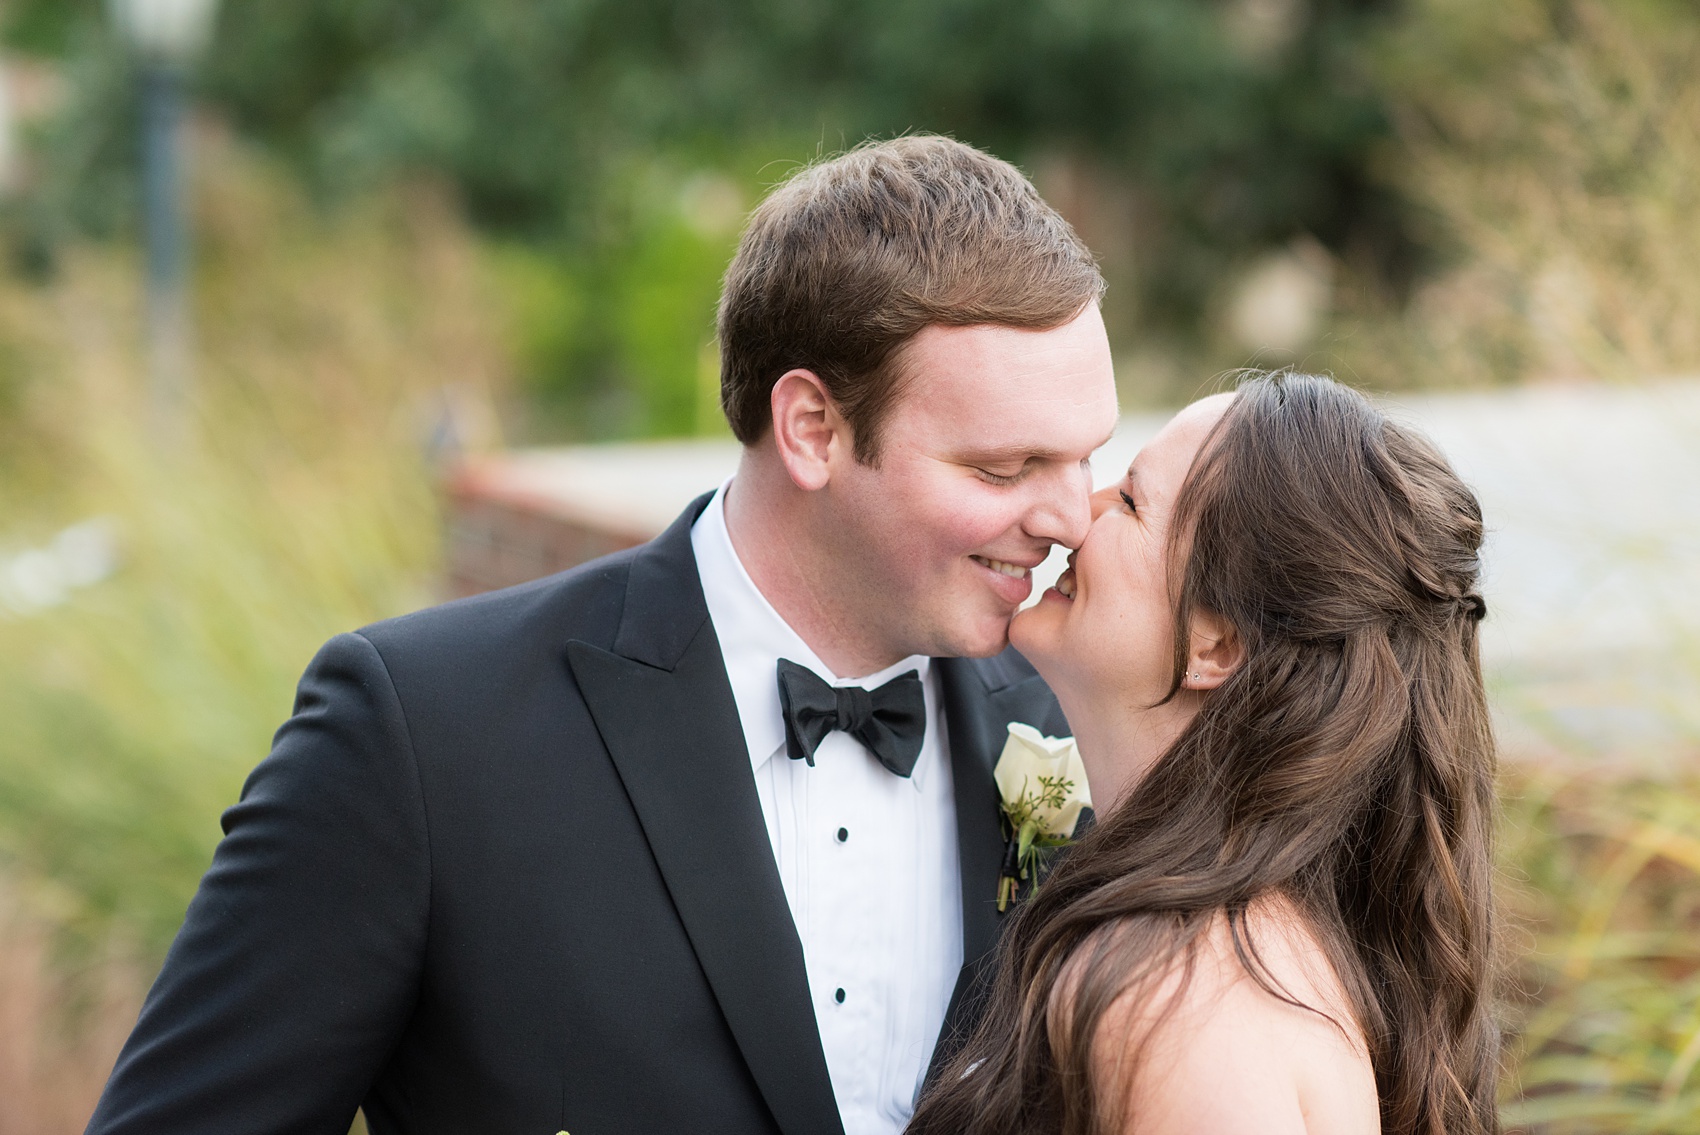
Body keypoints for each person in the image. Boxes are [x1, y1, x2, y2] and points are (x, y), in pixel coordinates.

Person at [84, 136, 1120, 1135]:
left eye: (1083, 458)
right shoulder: (423, 734)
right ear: (811, 427)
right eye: (1001, 469)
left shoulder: (1077, 729)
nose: (1068, 516)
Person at [907, 373, 1500, 1135]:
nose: (1074, 517)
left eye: (1129, 501)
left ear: (1216, 641)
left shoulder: (1183, 999)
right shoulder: (1230, 949)